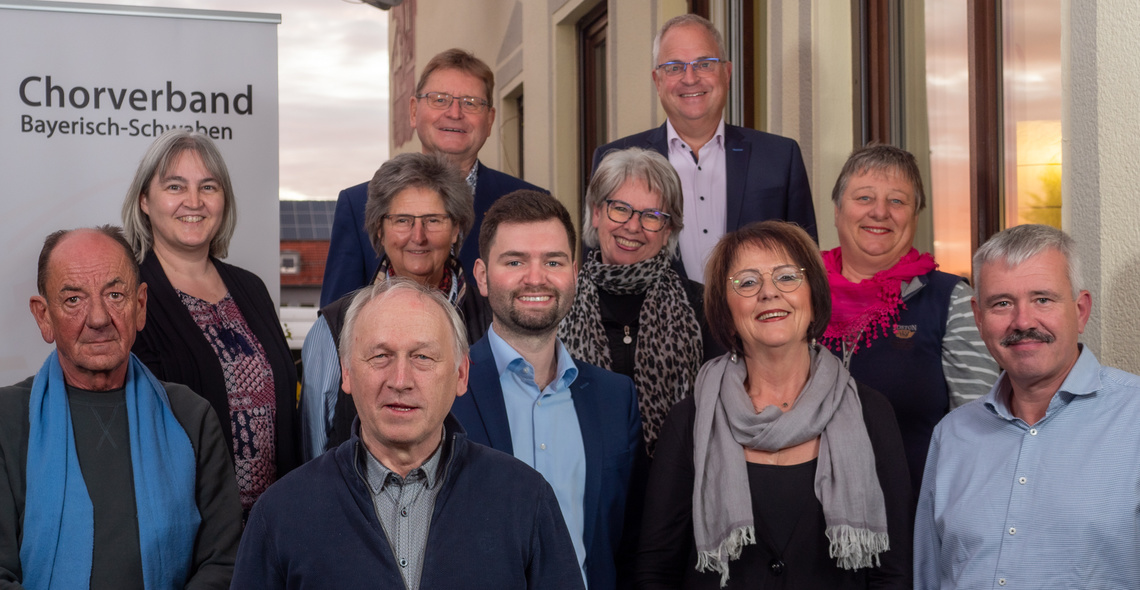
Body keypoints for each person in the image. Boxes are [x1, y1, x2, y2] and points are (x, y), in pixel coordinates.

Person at [233, 278, 584, 589]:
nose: (400, 381)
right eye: (380, 356)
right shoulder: (281, 513)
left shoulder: (526, 499)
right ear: (347, 372)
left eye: (423, 357)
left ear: (461, 374)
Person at [637, 221, 911, 588]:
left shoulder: (870, 413)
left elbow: (892, 573)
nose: (769, 292)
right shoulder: (690, 420)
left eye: (786, 277)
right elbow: (656, 570)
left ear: (813, 299)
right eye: (747, 282)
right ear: (727, 312)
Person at [0, 227, 242, 588]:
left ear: (140, 306)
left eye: (115, 295)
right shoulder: (6, 419)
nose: (98, 318)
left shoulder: (191, 417)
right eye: (73, 300)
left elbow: (224, 563)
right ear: (43, 316)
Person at [915, 224, 1140, 589]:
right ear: (978, 318)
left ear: (1081, 311)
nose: (1022, 321)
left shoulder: (1134, 419)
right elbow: (928, 577)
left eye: (1043, 299)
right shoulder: (952, 436)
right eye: (1002, 303)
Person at [450, 190, 643, 590]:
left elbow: (628, 540)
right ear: (483, 277)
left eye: (552, 261)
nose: (535, 277)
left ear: (574, 273)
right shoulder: (446, 391)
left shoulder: (615, 398)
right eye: (515, 261)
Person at [121, 129, 299, 519]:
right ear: (145, 201)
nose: (194, 202)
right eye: (175, 186)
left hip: (274, 524)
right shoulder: (128, 297)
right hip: (190, 533)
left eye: (208, 187)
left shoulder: (250, 288)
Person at [820, 145, 998, 494]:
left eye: (898, 201)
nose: (880, 212)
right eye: (864, 197)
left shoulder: (952, 300)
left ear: (916, 216)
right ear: (838, 211)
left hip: (913, 515)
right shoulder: (798, 293)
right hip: (806, 518)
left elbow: (980, 429)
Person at [592, 14, 815, 280]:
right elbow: (595, 267)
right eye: (674, 67)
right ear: (657, 80)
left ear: (727, 73)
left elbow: (806, 264)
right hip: (652, 320)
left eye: (704, 64)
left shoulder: (780, 157)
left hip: (756, 318)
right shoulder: (614, 158)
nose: (690, 78)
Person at [321, 48, 546, 306]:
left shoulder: (531, 205)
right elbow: (336, 320)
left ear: (490, 119)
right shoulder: (357, 203)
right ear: (414, 111)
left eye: (471, 103)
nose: (454, 113)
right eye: (439, 99)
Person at [301, 151, 478, 461]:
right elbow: (313, 454)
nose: (418, 236)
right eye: (402, 221)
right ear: (379, 230)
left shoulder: (493, 320)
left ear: (456, 229)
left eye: (433, 220)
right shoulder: (334, 327)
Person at [560, 147, 724, 456]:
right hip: (583, 482)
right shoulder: (559, 303)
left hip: (675, 485)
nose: (633, 227)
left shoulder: (704, 306)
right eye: (620, 209)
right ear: (596, 213)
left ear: (669, 230)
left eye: (652, 216)